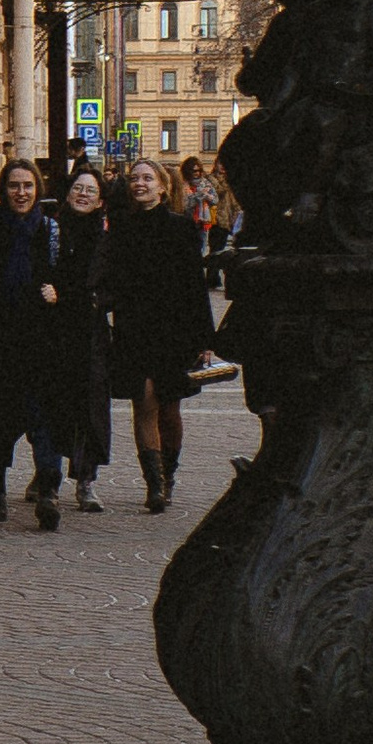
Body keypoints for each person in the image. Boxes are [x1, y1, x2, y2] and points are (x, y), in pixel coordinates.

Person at [109, 148, 218, 511]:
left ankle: (169, 474)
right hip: (134, 329)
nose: (139, 184)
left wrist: (205, 338)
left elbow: (194, 285)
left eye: (147, 179)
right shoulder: (120, 228)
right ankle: (153, 484)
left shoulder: (180, 227)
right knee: (144, 401)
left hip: (174, 330)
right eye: (135, 178)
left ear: (162, 187)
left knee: (170, 409)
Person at [0, 154, 68, 531]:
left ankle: (48, 492)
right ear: (2, 190)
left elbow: (61, 275)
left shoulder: (50, 229)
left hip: (39, 337)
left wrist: (56, 293)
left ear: (37, 189)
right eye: (14, 186)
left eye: (27, 186)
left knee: (44, 416)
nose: (21, 193)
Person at [52, 162, 114, 510]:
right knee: (55, 402)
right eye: (78, 188)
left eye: (91, 190)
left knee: (91, 406)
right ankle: (49, 472)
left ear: (100, 200)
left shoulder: (108, 237)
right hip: (55, 327)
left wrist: (97, 300)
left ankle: (86, 480)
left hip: (90, 332)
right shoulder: (53, 230)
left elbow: (117, 284)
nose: (83, 195)